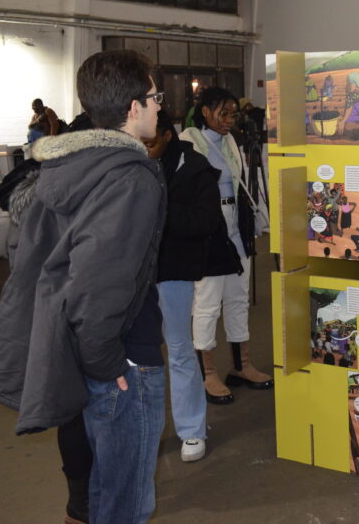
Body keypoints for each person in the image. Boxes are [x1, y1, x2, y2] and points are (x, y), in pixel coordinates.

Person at [0, 49, 167, 523]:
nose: (160, 106)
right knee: (125, 501)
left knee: (101, 491)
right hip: (122, 357)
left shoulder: (72, 165)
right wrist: (109, 363)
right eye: (154, 97)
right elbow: (97, 283)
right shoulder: (131, 178)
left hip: (76, 348)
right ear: (132, 108)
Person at [145, 110, 239, 462]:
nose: (145, 148)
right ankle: (147, 429)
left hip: (173, 271)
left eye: (151, 142)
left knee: (180, 350)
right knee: (141, 357)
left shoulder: (193, 166)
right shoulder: (130, 163)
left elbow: (206, 220)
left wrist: (159, 210)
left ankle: (191, 430)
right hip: (134, 273)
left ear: (168, 135)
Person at [181, 87, 272, 405]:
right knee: (207, 303)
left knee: (238, 298)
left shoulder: (232, 141)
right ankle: (207, 374)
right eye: (224, 113)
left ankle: (242, 366)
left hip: (237, 225)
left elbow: (245, 182)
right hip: (210, 230)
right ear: (205, 111)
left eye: (233, 114)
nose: (230, 120)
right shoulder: (188, 141)